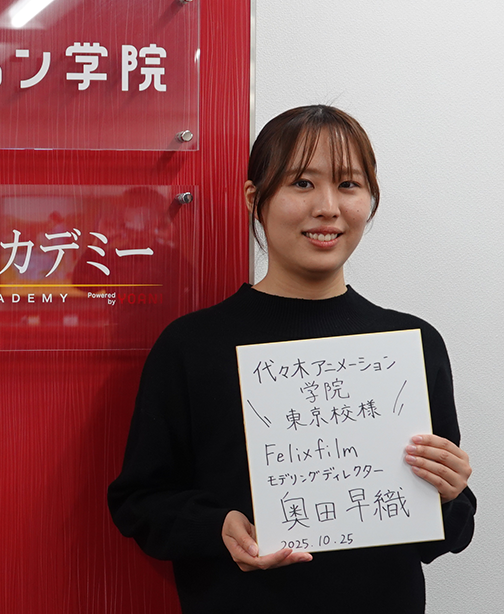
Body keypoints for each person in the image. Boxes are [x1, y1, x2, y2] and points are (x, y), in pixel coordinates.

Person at [107, 105, 474, 613]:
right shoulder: (191, 346)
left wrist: (450, 493)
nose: (328, 207)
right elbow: (139, 500)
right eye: (302, 183)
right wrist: (216, 527)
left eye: (349, 185)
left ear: (370, 200)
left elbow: (447, 531)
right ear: (254, 199)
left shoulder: (410, 344)